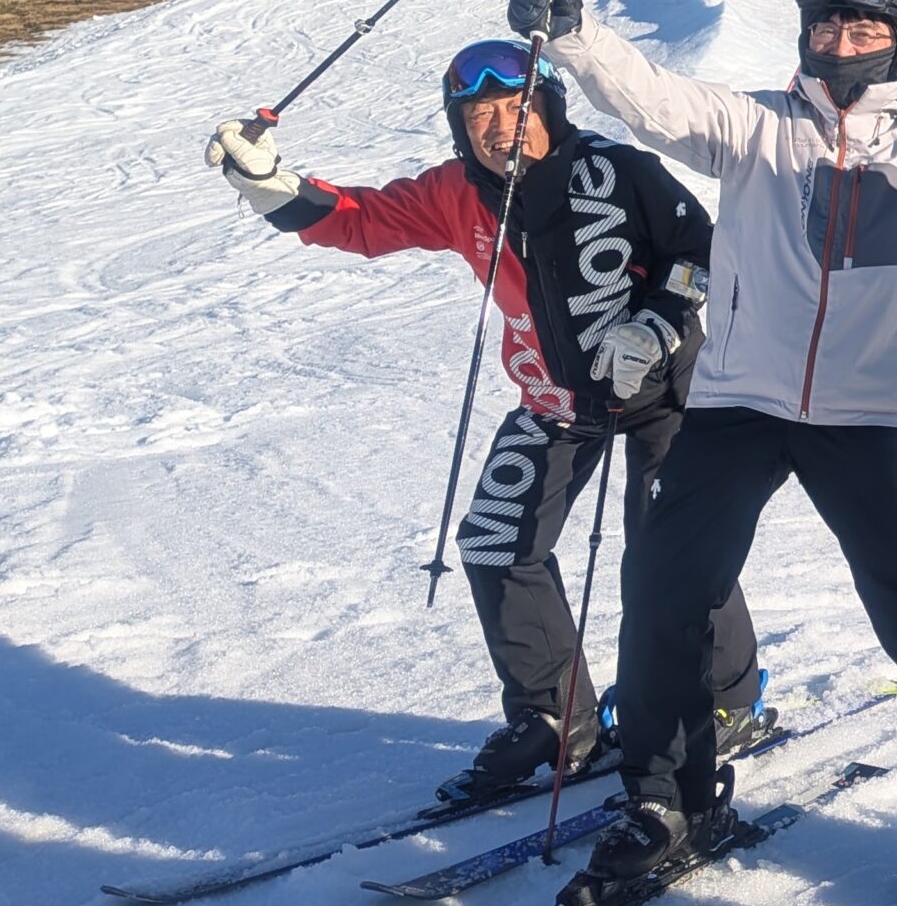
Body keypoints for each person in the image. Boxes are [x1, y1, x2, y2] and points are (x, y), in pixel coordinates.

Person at [504, 0, 897, 901]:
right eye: (825, 26)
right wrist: (576, 37)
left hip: (866, 414)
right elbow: (657, 101)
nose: (841, 43)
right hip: (738, 402)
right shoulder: (757, 127)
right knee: (665, 585)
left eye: (864, 28)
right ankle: (668, 800)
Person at [204, 42, 759, 800]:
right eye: (478, 116)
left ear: (548, 107)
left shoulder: (619, 170)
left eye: (514, 107)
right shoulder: (457, 191)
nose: (499, 128)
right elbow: (362, 220)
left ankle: (727, 699)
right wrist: (271, 185)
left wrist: (656, 321)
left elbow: (702, 250)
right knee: (496, 542)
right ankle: (555, 718)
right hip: (554, 398)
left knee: (671, 552)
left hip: (665, 389)